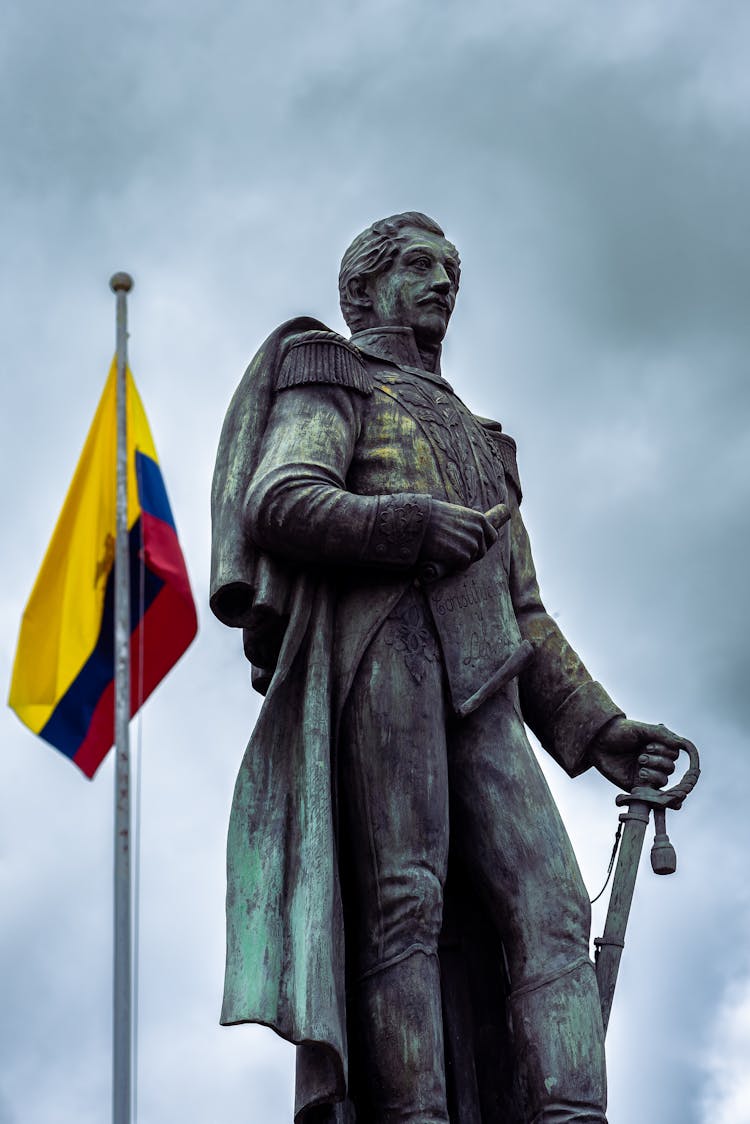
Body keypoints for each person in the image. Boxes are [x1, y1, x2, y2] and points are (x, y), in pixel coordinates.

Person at [210, 212, 687, 1123]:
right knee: (405, 906)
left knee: (551, 906)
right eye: (421, 265)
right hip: (383, 651)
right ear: (365, 287)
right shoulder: (332, 369)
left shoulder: (484, 437)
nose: (443, 281)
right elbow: (282, 496)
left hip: (485, 675)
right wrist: (410, 526)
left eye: (453, 269)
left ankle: (571, 1113)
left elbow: (526, 611)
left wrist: (602, 731)